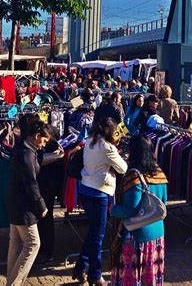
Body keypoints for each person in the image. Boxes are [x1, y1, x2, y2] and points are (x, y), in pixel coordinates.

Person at [72, 117, 128, 285]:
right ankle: (94, 274)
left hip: (85, 188)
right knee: (98, 235)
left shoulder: (90, 141)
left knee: (94, 232)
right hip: (99, 193)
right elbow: (123, 168)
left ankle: (81, 266)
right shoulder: (107, 148)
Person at [110, 135, 168, 286]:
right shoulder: (159, 173)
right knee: (150, 276)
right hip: (157, 234)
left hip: (137, 236)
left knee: (133, 278)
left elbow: (130, 210)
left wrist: (113, 209)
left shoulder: (134, 176)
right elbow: (163, 201)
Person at [6, 115, 52, 286]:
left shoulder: (23, 149)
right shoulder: (26, 154)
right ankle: (14, 283)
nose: (44, 145)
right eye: (44, 141)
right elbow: (31, 184)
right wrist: (41, 206)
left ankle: (11, 281)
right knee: (33, 243)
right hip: (23, 206)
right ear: (37, 136)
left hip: (15, 202)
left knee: (16, 245)